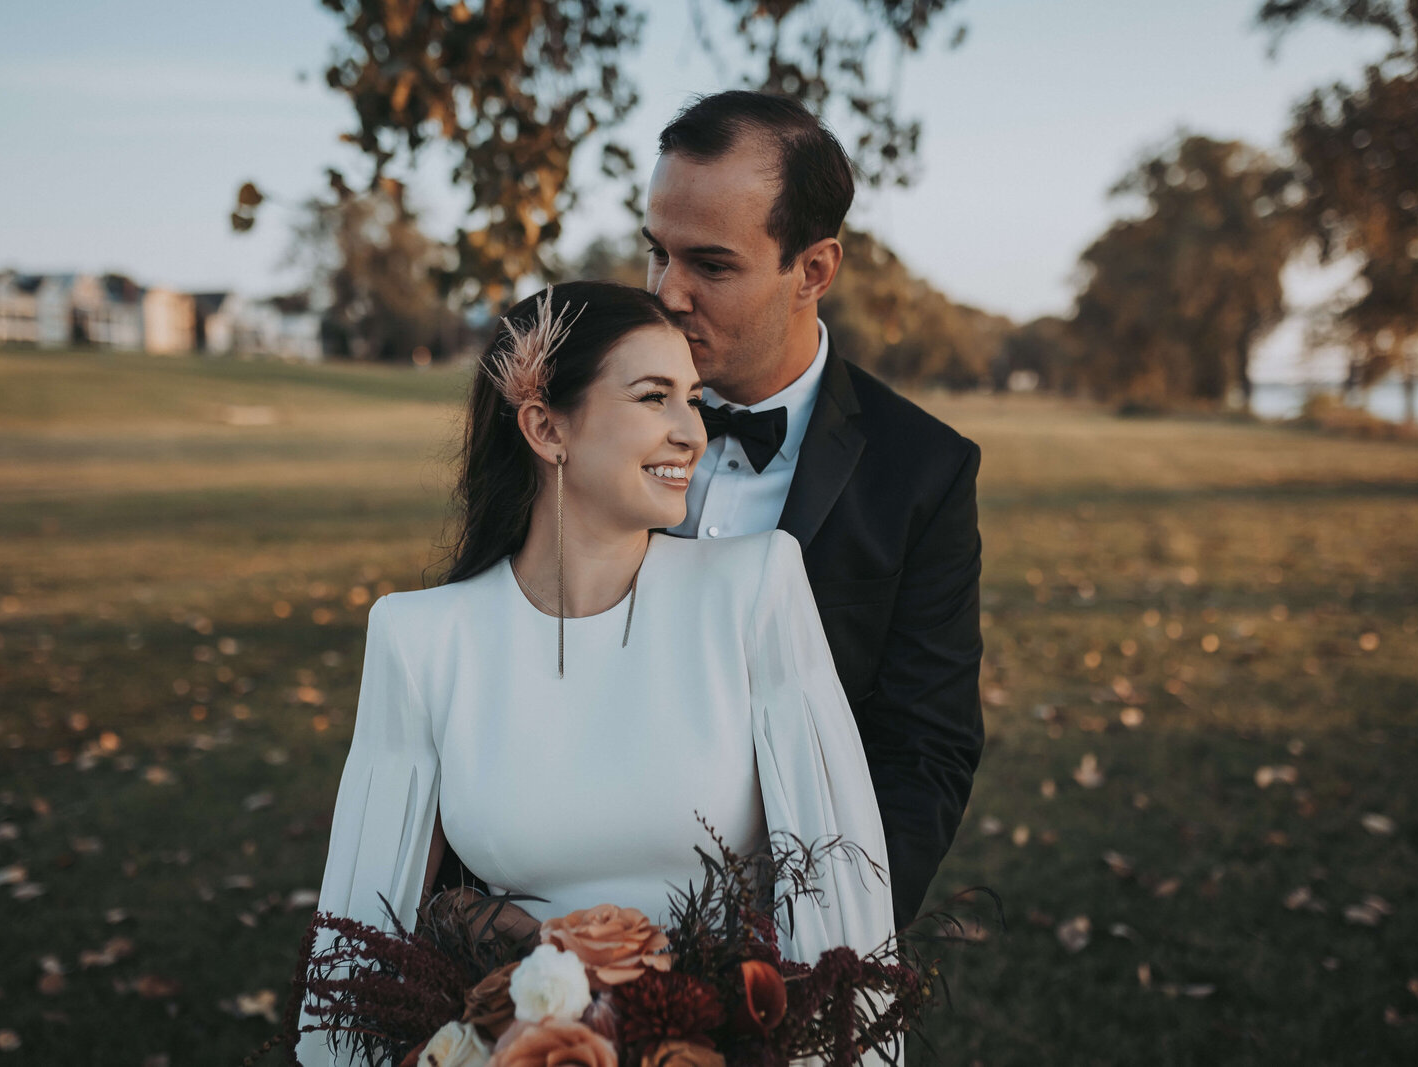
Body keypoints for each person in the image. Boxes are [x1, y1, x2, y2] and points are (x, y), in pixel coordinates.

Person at [296, 282, 894, 1065]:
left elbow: (844, 911)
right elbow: (356, 956)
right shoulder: (421, 638)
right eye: (655, 398)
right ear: (546, 427)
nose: (694, 432)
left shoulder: (756, 588)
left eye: (693, 398)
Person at [642, 91, 985, 929]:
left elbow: (924, 751)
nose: (667, 293)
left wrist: (827, 943)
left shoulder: (922, 471)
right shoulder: (583, 421)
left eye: (711, 266)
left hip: (790, 934)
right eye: (656, 253)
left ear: (814, 270)